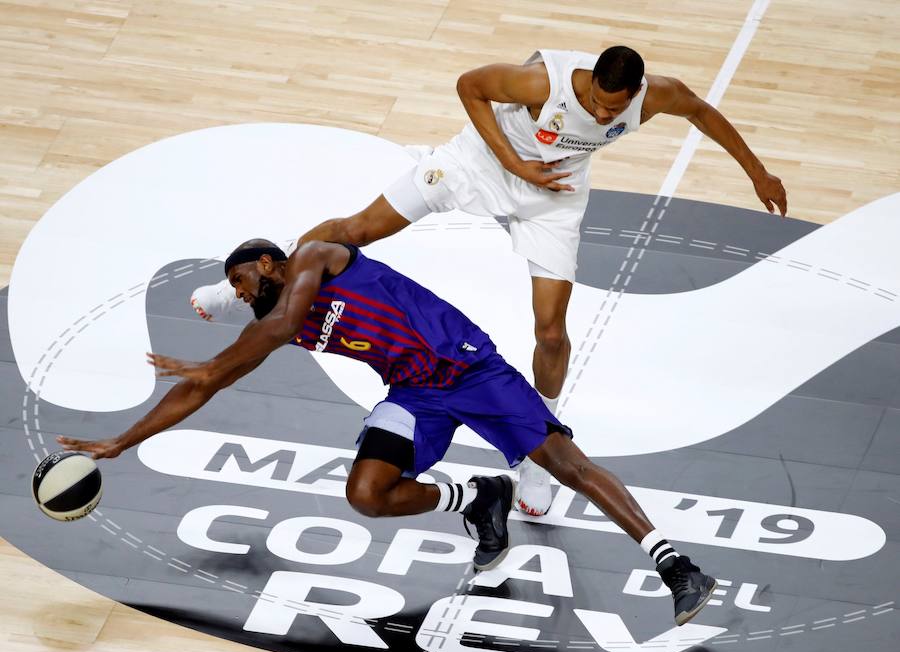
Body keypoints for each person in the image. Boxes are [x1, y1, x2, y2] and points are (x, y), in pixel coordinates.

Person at [191, 46, 788, 519]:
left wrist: (758, 171)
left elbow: (703, 113)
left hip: (553, 195)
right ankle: (235, 290)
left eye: (615, 111)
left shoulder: (654, 97)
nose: (605, 117)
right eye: (598, 106)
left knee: (551, 331)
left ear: (634, 95)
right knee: (353, 231)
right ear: (588, 84)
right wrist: (512, 161)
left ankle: (540, 448)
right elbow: (469, 85)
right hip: (480, 160)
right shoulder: (543, 83)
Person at [62, 238, 717, 625]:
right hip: (411, 391)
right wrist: (125, 440)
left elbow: (270, 331)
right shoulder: (275, 318)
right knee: (367, 492)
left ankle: (677, 566)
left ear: (272, 260)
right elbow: (208, 382)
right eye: (234, 291)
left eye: (243, 282)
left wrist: (215, 356)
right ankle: (479, 497)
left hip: (465, 364)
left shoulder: (319, 254)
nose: (243, 294)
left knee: (564, 463)